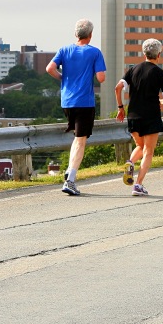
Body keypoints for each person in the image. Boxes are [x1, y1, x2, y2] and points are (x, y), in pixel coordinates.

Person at [46, 18, 107, 195]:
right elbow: (101, 78)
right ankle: (70, 181)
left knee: (78, 137)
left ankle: (69, 169)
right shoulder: (94, 52)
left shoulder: (64, 50)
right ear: (90, 35)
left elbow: (50, 68)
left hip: (67, 101)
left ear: (76, 34)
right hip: (84, 102)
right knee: (81, 140)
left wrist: (62, 78)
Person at [114, 38, 163, 196]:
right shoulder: (159, 73)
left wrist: (120, 108)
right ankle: (138, 185)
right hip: (151, 116)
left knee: (140, 146)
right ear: (158, 54)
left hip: (133, 115)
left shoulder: (133, 69)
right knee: (148, 151)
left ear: (144, 53)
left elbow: (118, 88)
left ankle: (130, 162)